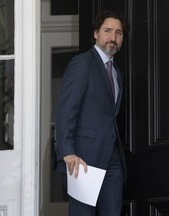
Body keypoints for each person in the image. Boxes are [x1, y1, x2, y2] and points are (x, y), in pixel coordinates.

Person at [55, 10, 129, 216]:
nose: (113, 38)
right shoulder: (82, 63)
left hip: (113, 160)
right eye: (107, 31)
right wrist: (68, 151)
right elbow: (66, 110)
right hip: (83, 159)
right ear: (96, 33)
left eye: (118, 33)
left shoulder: (116, 73)